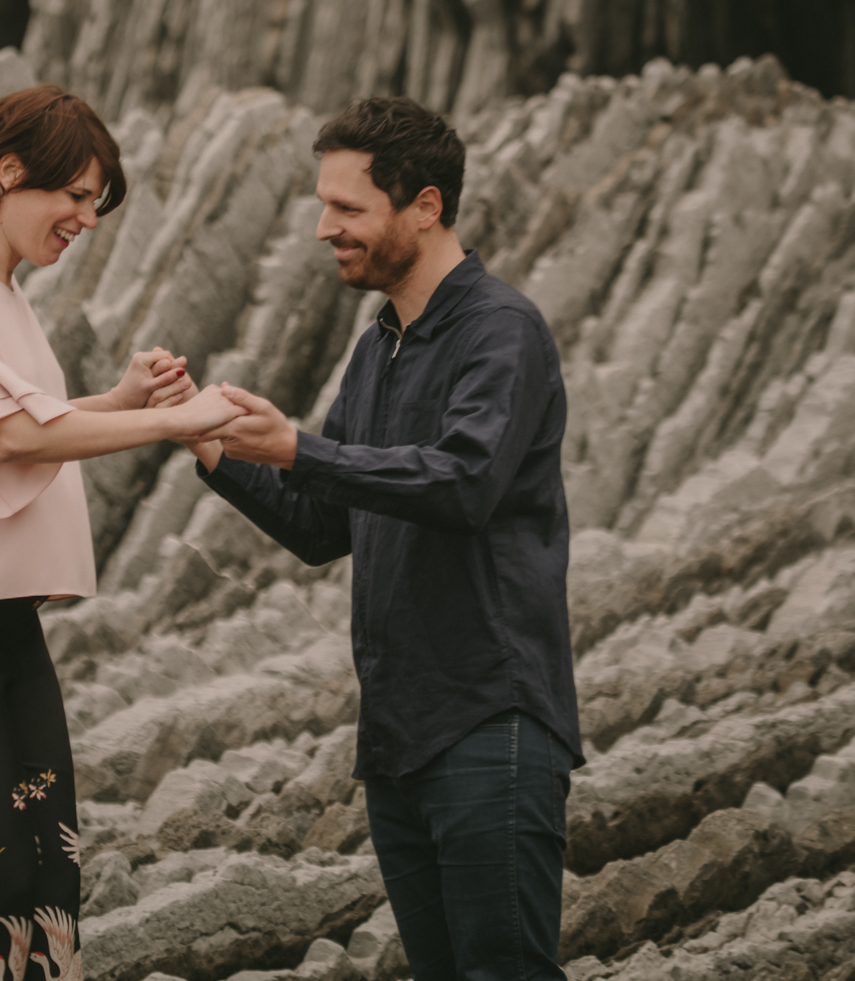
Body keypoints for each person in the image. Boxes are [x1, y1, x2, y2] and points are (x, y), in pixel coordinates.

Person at [0, 85, 238, 979]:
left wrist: (122, 402)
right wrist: (175, 424)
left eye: (95, 205)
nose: (85, 219)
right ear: (11, 170)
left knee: (46, 874)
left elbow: (14, 428)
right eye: (75, 196)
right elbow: (13, 435)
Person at [187, 96, 582, 981]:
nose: (325, 228)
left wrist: (299, 445)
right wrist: (213, 446)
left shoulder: (500, 332)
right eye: (324, 207)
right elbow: (325, 527)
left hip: (492, 719)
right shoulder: (379, 348)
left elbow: (466, 483)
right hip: (399, 735)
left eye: (348, 209)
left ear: (427, 206)